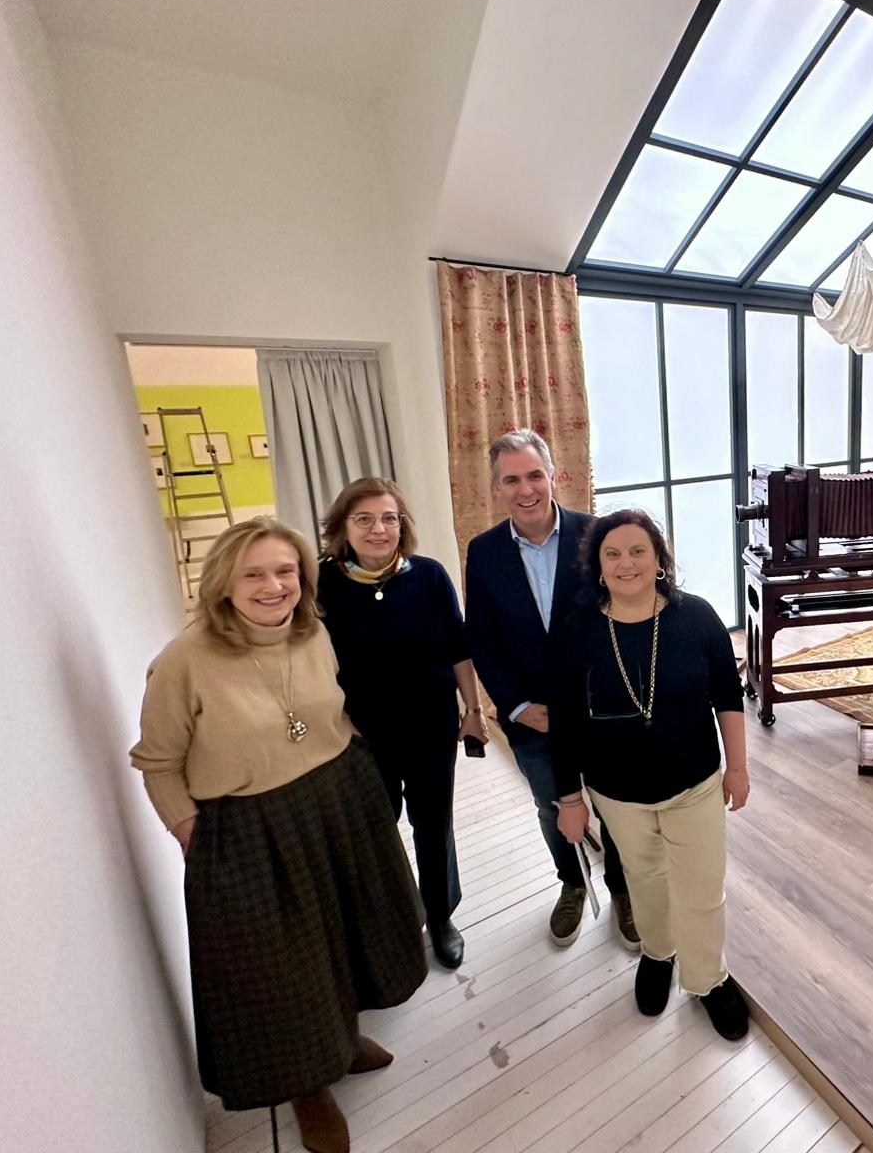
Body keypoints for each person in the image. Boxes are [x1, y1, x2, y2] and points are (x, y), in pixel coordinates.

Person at [130, 517, 425, 1153]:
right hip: (248, 825)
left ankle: (342, 1039)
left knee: (345, 931)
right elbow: (157, 764)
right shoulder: (182, 662)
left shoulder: (312, 630)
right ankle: (307, 1087)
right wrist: (192, 836)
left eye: (286, 571)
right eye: (254, 574)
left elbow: (331, 711)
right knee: (280, 966)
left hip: (337, 798)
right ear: (223, 583)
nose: (274, 586)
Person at [552, 509, 752, 1041]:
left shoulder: (697, 617)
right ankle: (659, 955)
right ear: (597, 567)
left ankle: (708, 979)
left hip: (695, 784)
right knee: (644, 880)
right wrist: (569, 799)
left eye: (638, 551)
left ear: (659, 559)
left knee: (702, 888)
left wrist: (738, 768)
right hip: (616, 793)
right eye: (613, 554)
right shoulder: (577, 632)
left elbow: (728, 697)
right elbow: (565, 724)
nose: (627, 563)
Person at [464, 430, 639, 950]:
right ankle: (572, 883)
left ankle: (623, 889)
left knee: (614, 805)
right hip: (532, 717)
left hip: (601, 710)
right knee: (551, 807)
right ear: (496, 488)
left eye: (534, 475)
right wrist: (517, 707)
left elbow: (622, 617)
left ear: (554, 476)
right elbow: (483, 640)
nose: (526, 490)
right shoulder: (483, 552)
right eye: (511, 480)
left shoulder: (595, 536)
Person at [316, 477, 487, 972]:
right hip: (362, 734)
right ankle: (388, 918)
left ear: (402, 525)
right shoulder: (321, 583)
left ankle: (440, 915)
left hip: (431, 725)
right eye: (364, 519)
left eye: (389, 518)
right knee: (376, 827)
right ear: (343, 527)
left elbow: (457, 649)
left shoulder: (429, 576)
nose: (379, 529)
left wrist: (474, 712)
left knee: (433, 824)